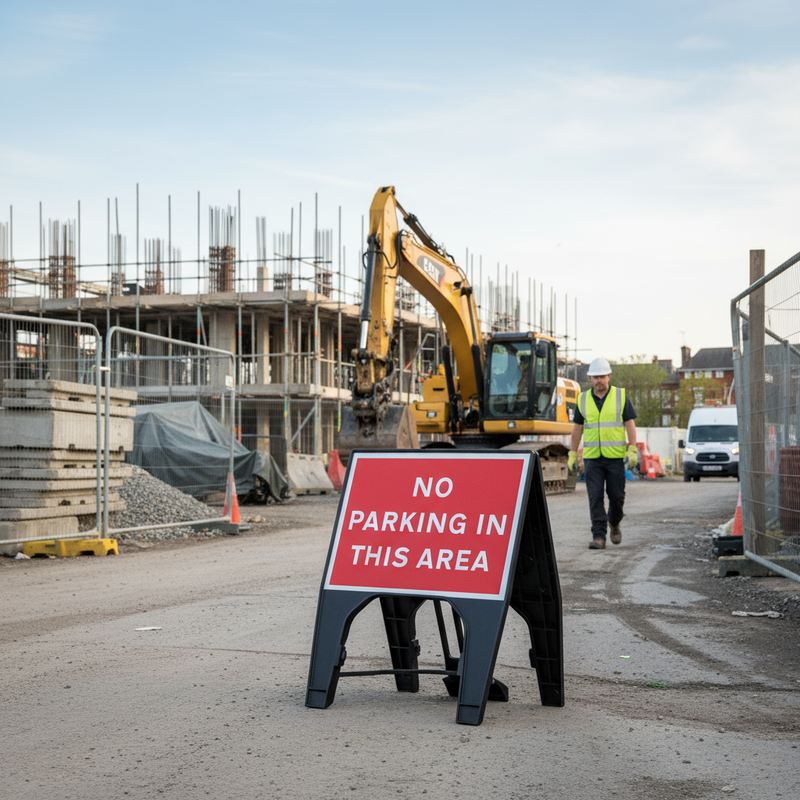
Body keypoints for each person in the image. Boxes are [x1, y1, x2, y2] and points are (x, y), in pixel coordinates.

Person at [568, 357, 638, 550]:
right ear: (590, 379)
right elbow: (577, 428)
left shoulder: (621, 396)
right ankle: (599, 536)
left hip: (615, 456)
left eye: (602, 376)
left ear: (608, 376)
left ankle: (614, 522)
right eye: (595, 377)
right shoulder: (582, 399)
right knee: (595, 497)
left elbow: (630, 424)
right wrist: (573, 452)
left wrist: (632, 448)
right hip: (592, 458)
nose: (598, 380)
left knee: (617, 496)